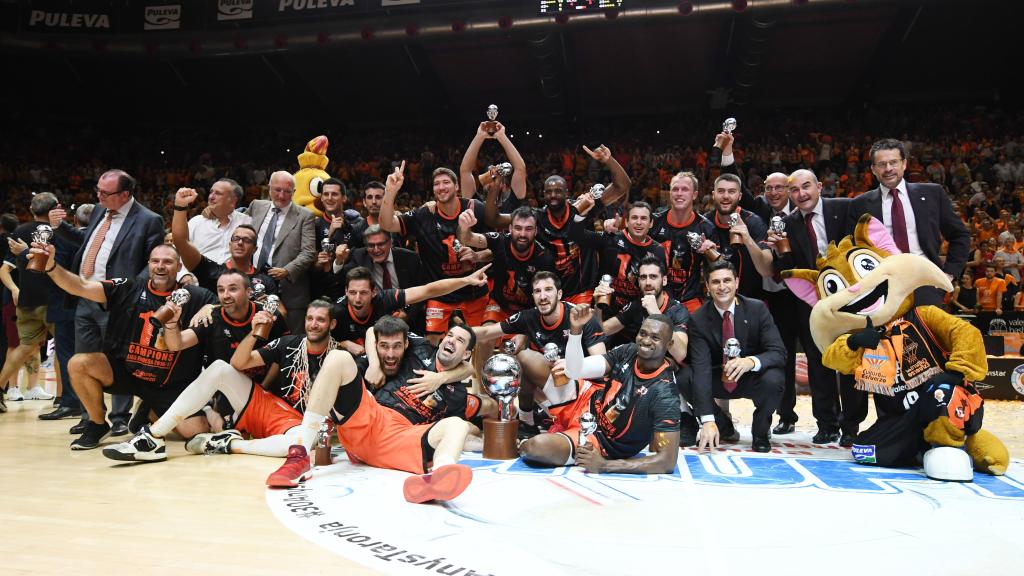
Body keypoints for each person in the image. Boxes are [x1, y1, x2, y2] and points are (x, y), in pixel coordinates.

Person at [265, 323, 482, 503]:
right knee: (339, 358)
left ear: (468, 353)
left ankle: (438, 478)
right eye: (450, 335)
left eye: (460, 340)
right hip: (372, 416)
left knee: (457, 424)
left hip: (402, 437)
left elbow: (451, 431)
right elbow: (373, 330)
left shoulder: (458, 394)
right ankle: (299, 455)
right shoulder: (420, 347)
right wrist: (375, 364)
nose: (451, 340)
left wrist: (441, 379)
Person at [32, 242, 216, 450]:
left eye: (168, 262)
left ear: (179, 266)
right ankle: (97, 424)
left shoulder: (197, 296)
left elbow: (221, 304)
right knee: (79, 363)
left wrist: (211, 306)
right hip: (127, 372)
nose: (160, 266)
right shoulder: (129, 287)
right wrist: (51, 266)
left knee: (195, 432)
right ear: (148, 264)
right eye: (155, 261)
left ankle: (149, 411)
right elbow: (81, 287)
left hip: (169, 383)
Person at [100, 269, 292, 462]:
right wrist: (172, 324)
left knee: (239, 433)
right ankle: (154, 434)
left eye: (233, 289)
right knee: (217, 422)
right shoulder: (212, 316)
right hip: (228, 390)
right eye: (221, 289)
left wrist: (265, 387)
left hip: (263, 391)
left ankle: (184, 417)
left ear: (249, 292)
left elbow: (279, 357)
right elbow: (176, 345)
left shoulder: (267, 316)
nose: (226, 295)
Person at [49, 169, 165, 435]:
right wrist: (61, 228)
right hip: (85, 294)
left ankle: (120, 416)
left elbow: (152, 261)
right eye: (98, 190)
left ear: (125, 194)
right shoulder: (101, 212)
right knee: (84, 358)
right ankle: (92, 417)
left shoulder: (149, 220)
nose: (98, 196)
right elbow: (89, 242)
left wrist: (132, 296)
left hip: (118, 301)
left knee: (116, 359)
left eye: (105, 192)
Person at [518, 305, 681, 474]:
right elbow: (576, 370)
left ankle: (535, 434)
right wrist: (575, 331)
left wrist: (604, 465)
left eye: (655, 337)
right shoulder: (629, 350)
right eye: (643, 333)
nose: (646, 341)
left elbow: (667, 461)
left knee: (534, 448)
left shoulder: (665, 394)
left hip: (600, 441)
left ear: (669, 344)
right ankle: (528, 422)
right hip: (586, 400)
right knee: (527, 358)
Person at [770, 169, 866, 445]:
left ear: (820, 186)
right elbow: (785, 271)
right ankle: (827, 425)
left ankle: (851, 427)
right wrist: (779, 252)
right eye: (795, 190)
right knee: (818, 363)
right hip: (812, 304)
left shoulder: (845, 208)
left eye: (806, 187)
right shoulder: (786, 225)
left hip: (851, 300)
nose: (801, 194)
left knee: (850, 363)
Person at [486, 145, 629, 305]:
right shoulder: (535, 218)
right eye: (549, 191)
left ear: (567, 193)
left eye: (558, 191)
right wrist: (494, 187)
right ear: (543, 195)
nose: (553, 195)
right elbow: (494, 220)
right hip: (547, 294)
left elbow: (622, 186)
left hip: (581, 293)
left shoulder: (584, 208)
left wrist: (608, 161)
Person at [471, 272, 607, 434]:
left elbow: (602, 368)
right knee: (521, 363)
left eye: (548, 290)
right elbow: (487, 333)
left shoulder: (581, 317)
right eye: (537, 291)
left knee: (525, 356)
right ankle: (527, 422)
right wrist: (458, 333)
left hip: (584, 391)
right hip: (555, 387)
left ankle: (564, 416)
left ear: (560, 294)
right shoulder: (529, 317)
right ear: (533, 296)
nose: (543, 296)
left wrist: (570, 367)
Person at [847, 138, 972, 305]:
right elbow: (851, 249)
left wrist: (949, 274)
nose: (888, 169)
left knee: (926, 331)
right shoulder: (860, 204)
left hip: (926, 284)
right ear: (873, 169)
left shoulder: (933, 194)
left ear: (904, 164)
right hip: (880, 290)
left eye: (893, 162)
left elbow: (960, 235)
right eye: (882, 164)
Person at [379, 162, 490, 343]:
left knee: (479, 341)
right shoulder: (424, 214)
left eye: (446, 182)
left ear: (456, 186)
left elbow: (497, 248)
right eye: (436, 183)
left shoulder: (474, 208)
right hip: (440, 293)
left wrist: (477, 256)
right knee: (433, 342)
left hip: (474, 292)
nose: (441, 187)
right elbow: (386, 224)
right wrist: (390, 191)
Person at [684, 260, 785, 452]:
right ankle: (721, 426)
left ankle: (761, 432)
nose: (722, 287)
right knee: (685, 378)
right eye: (715, 282)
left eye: (727, 280)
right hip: (718, 378)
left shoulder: (757, 309)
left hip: (749, 377)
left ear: (737, 283)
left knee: (775, 378)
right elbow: (701, 369)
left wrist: (750, 362)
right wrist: (707, 419)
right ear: (707, 286)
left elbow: (779, 352)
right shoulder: (698, 319)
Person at [329, 263, 491, 354]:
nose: (357, 299)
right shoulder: (338, 311)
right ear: (346, 292)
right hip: (352, 363)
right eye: (352, 293)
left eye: (363, 293)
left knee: (424, 348)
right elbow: (316, 340)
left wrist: (466, 280)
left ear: (373, 292)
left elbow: (428, 290)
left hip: (386, 354)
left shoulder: (384, 298)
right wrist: (344, 344)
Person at [0, 193, 61, 402]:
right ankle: (64, 399)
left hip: (26, 300)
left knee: (24, 347)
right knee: (62, 348)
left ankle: (7, 387)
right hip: (53, 300)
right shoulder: (57, 232)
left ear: (32, 209)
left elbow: (5, 269)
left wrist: (16, 290)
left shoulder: (20, 231)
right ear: (55, 208)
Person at [171, 187, 279, 297]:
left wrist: (265, 306)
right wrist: (180, 206)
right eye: (236, 239)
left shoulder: (265, 281)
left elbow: (281, 311)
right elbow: (181, 242)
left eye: (246, 240)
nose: (240, 242)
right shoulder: (211, 271)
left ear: (255, 249)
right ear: (230, 244)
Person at [247, 171, 316, 333]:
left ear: (294, 192)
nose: (282, 195)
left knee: (291, 339)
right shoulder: (256, 206)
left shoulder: (305, 216)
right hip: (253, 285)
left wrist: (287, 270)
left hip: (290, 290)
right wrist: (212, 213)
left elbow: (309, 252)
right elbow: (237, 229)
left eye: (287, 191)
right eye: (277, 190)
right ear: (269, 188)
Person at [597, 254, 689, 361]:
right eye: (643, 277)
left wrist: (656, 314)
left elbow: (680, 354)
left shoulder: (678, 310)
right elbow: (602, 331)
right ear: (639, 282)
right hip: (639, 363)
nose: (648, 282)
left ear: (664, 280)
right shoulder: (637, 305)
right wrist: (598, 306)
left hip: (666, 367)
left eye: (653, 277)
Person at [701, 173, 775, 300]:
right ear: (713, 195)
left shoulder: (754, 222)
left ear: (740, 196)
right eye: (721, 191)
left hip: (751, 301)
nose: (725, 196)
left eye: (731, 191)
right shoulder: (704, 223)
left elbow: (767, 271)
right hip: (715, 301)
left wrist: (747, 239)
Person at [650, 171, 715, 312]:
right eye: (675, 189)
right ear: (669, 193)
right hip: (656, 297)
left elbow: (717, 268)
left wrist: (711, 253)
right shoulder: (653, 222)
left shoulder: (706, 227)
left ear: (695, 195)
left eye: (685, 189)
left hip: (690, 300)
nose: (679, 193)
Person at [600, 201, 668, 313]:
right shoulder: (612, 239)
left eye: (644, 218)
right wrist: (605, 233)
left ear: (651, 223)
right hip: (607, 308)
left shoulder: (658, 250)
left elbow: (661, 286)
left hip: (640, 312)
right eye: (634, 217)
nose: (639, 222)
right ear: (626, 222)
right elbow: (582, 237)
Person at [459, 121, 527, 212]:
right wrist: (479, 136)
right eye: (488, 178)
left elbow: (520, 168)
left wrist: (501, 136)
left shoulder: (513, 204)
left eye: (494, 178)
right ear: (483, 186)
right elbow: (465, 171)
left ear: (503, 186)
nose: (491, 182)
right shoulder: (475, 204)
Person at [188, 178, 253, 264]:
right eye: (211, 192)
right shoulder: (196, 222)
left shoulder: (247, 222)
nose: (211, 197)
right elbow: (179, 252)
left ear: (233, 200)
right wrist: (185, 275)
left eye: (218, 193)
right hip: (198, 276)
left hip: (235, 276)